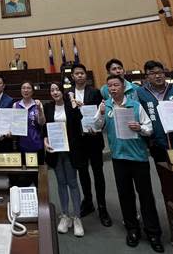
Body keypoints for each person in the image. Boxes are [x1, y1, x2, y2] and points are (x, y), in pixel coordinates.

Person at [97, 75, 164, 252]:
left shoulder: (135, 105)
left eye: (116, 85)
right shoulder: (106, 105)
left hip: (138, 158)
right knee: (125, 196)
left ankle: (153, 233)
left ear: (123, 87)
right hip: (119, 158)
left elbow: (149, 128)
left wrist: (140, 128)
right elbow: (96, 127)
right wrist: (101, 114)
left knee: (146, 196)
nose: (113, 88)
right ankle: (132, 230)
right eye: (110, 86)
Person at [69, 63, 112, 225]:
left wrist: (97, 127)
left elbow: (100, 114)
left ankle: (102, 207)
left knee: (98, 173)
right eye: (76, 73)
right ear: (72, 77)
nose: (79, 76)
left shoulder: (95, 92)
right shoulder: (68, 94)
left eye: (82, 73)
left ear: (85, 75)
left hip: (94, 139)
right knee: (83, 174)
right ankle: (88, 202)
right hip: (78, 141)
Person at [43, 82, 84, 237]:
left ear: (63, 91)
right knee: (61, 183)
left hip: (71, 150)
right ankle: (65, 215)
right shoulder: (48, 107)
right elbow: (44, 128)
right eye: (52, 90)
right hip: (55, 151)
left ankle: (77, 217)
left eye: (57, 89)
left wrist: (74, 101)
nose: (55, 92)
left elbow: (78, 120)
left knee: (72, 182)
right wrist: (45, 140)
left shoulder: (71, 105)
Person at [137, 60, 173, 163]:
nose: (158, 76)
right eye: (153, 73)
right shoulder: (140, 93)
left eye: (160, 72)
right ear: (146, 77)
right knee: (166, 175)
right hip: (157, 143)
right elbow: (137, 115)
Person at [13, 81, 45, 166]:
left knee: (38, 173)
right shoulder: (15, 105)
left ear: (32, 91)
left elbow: (42, 123)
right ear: (21, 90)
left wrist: (40, 110)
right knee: (25, 173)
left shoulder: (38, 104)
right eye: (23, 88)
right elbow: (13, 124)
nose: (26, 90)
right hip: (22, 144)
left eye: (28, 88)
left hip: (36, 143)